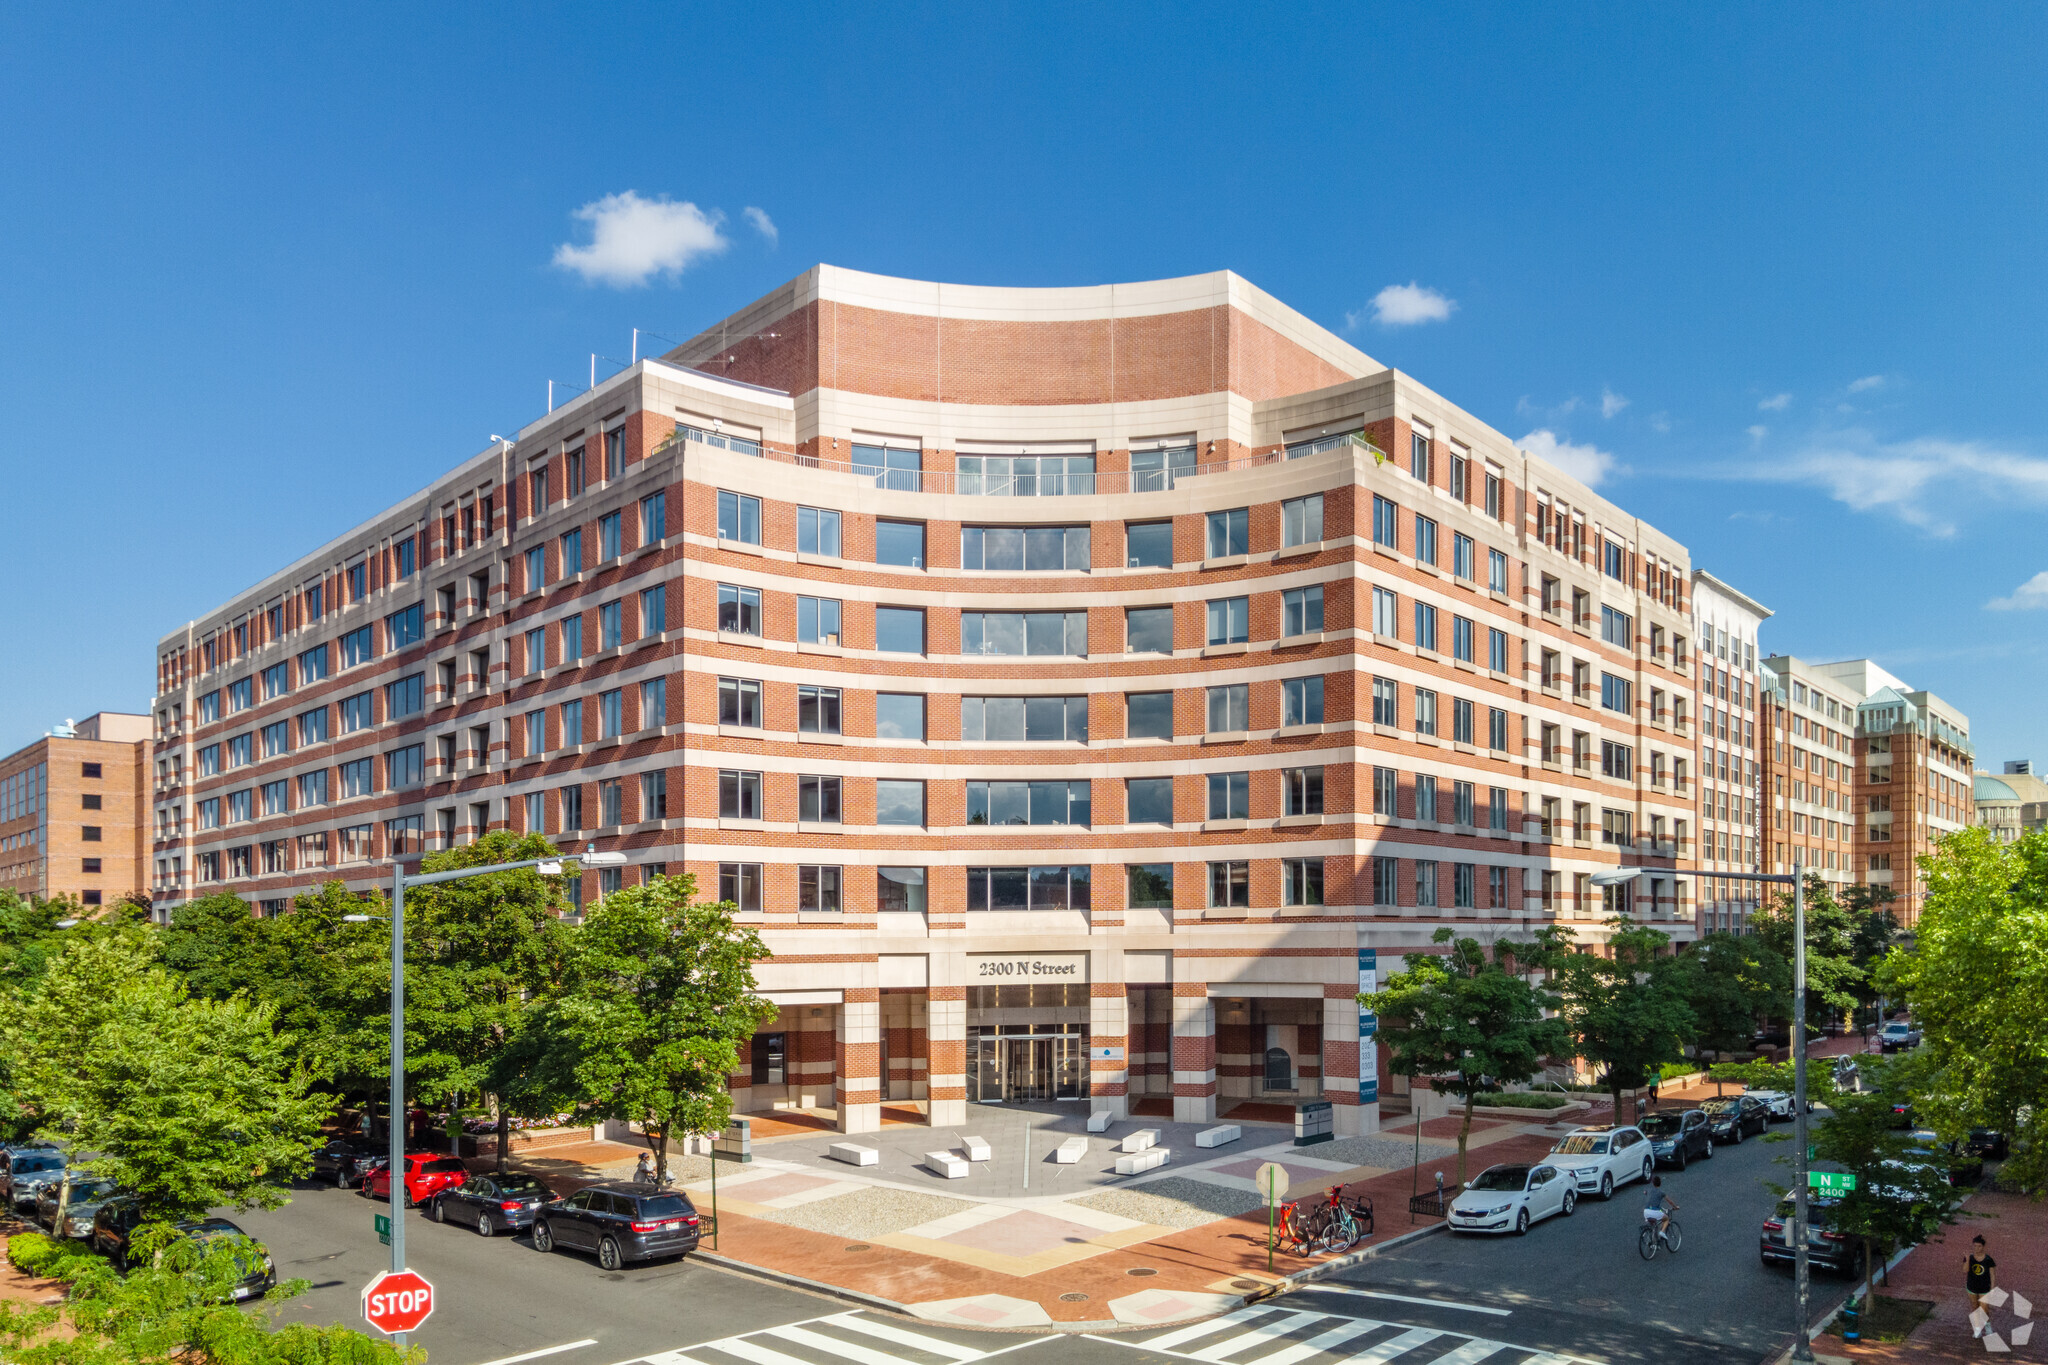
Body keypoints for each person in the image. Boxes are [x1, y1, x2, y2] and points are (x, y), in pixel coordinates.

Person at [1967, 1235, 1996, 1323]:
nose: (1977, 1248)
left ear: (1983, 1247)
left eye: (1979, 1246)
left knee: (1984, 1309)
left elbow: (1992, 1275)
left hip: (1984, 1288)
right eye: (1975, 1246)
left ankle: (1987, 1326)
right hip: (1972, 1287)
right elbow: (1965, 1270)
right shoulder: (1970, 1258)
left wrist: (1992, 1288)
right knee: (1975, 1307)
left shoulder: (1988, 1260)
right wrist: (1967, 1259)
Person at [1643, 1176, 1679, 1245]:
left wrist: (1646, 1193)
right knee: (1666, 1219)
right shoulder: (1661, 1192)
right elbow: (1670, 1202)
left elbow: (1645, 1192)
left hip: (1646, 1211)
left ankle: (1653, 1242)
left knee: (1654, 1225)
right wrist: (1675, 1207)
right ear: (1660, 1183)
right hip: (1654, 1212)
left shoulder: (1649, 1190)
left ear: (1653, 1183)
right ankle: (1662, 1232)